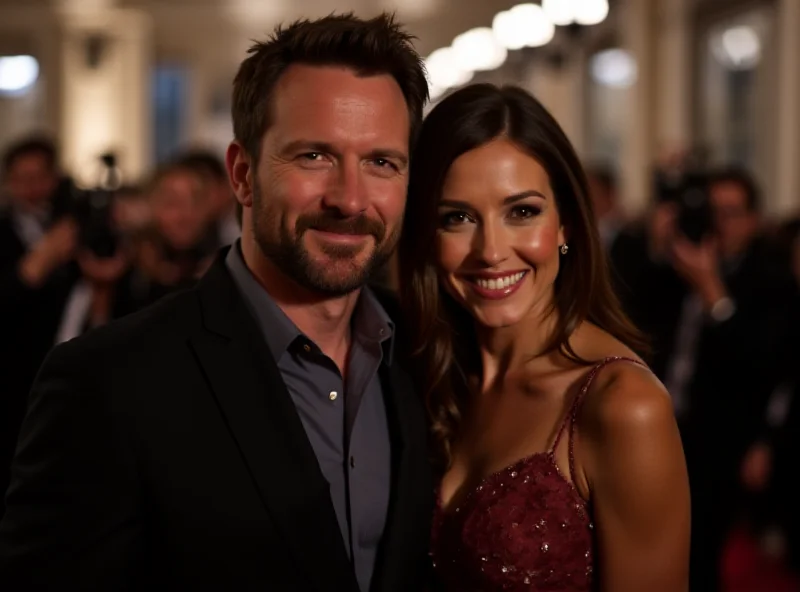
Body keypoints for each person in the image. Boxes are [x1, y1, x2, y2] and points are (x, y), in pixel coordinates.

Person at [0, 13, 432, 592]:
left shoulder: (429, 350)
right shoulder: (107, 381)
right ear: (243, 174)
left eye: (382, 162)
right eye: (314, 156)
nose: (350, 198)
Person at [398, 84, 690, 592]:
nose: (490, 251)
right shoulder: (427, 371)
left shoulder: (623, 405)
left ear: (566, 224)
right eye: (458, 218)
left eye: (522, 212)